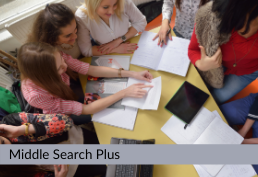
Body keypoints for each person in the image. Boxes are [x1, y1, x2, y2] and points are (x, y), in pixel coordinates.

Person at [19, 42, 153, 122]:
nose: (65, 67)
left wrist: (132, 74)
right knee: (107, 116)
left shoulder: (53, 55)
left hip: (67, 92)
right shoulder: (36, 95)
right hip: (64, 115)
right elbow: (87, 109)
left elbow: (90, 69)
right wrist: (124, 92)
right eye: (59, 69)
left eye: (62, 60)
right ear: (45, 76)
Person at [188, 0, 258, 104]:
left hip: (247, 73)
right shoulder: (211, 14)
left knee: (213, 101)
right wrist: (200, 64)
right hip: (213, 67)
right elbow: (193, 50)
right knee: (194, 96)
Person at [0, 112, 106, 177]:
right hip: (75, 167)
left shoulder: (10, 122)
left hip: (79, 141)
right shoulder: (7, 171)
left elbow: (66, 121)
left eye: (3, 142)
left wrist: (23, 130)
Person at [75, 0, 147, 57]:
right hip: (108, 53)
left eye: (115, 4)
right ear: (92, 5)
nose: (112, 12)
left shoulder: (124, 1)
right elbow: (86, 51)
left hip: (131, 41)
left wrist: (119, 40)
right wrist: (115, 49)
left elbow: (141, 22)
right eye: (105, 7)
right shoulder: (82, 17)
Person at [220, 93, 258, 173]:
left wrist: (247, 141)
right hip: (255, 105)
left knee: (255, 171)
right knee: (220, 115)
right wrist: (243, 131)